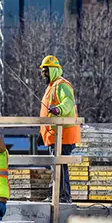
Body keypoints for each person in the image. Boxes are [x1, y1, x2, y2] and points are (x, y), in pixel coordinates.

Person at [38, 55, 80, 204]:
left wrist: (58, 109)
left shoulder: (62, 85)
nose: (43, 75)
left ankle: (61, 197)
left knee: (59, 166)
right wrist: (42, 131)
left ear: (52, 70)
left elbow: (68, 103)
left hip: (63, 135)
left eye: (45, 71)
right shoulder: (51, 87)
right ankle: (56, 195)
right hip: (54, 134)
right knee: (56, 166)